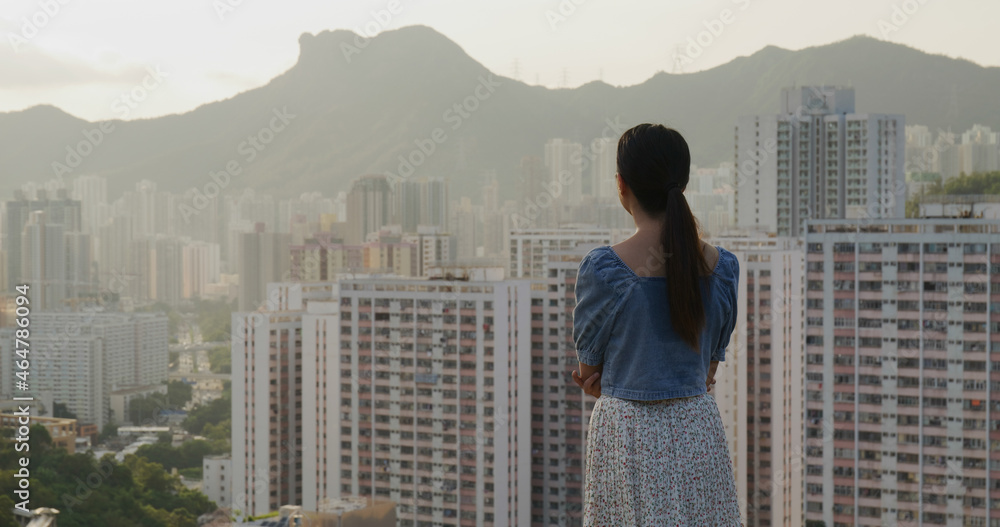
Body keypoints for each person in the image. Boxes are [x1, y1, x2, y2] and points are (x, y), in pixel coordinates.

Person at [570, 123, 742, 526]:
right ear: (681, 184)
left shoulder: (604, 269)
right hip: (697, 429)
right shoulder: (723, 268)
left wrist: (606, 382)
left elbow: (588, 371)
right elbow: (707, 373)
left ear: (621, 184)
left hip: (626, 432)